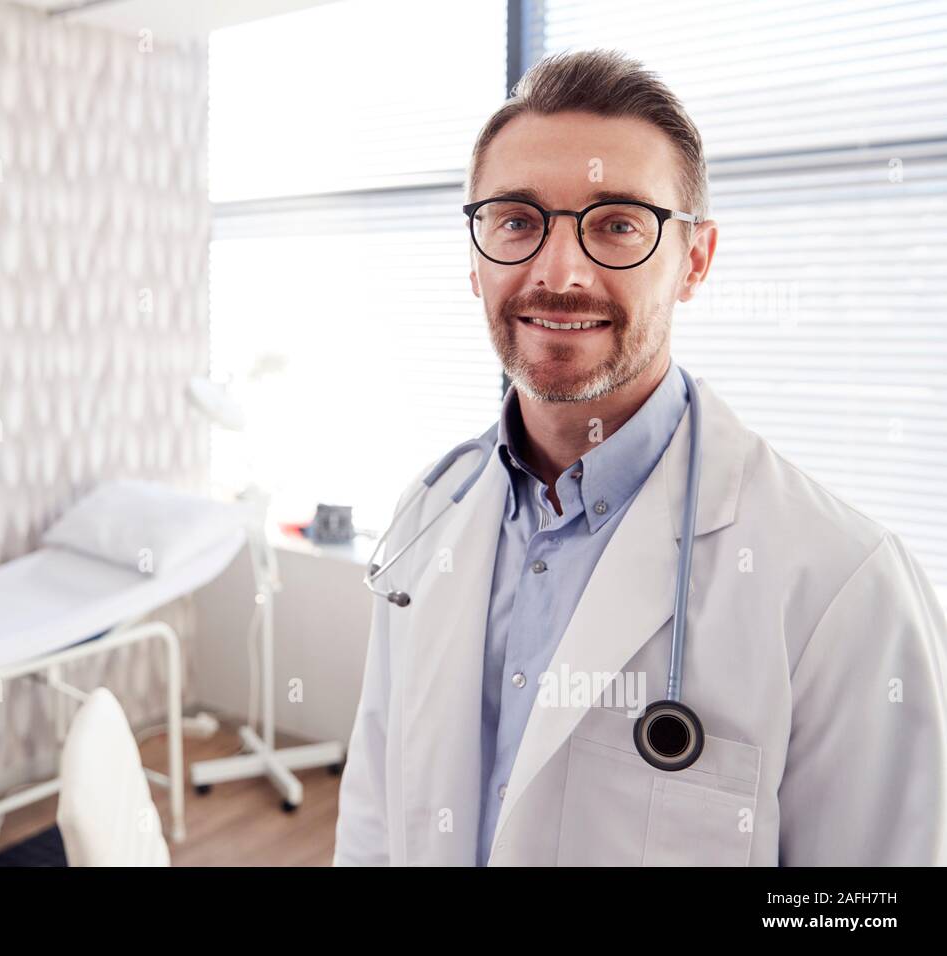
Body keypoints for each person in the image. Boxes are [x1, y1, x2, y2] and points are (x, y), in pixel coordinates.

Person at [333, 49, 947, 866]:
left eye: (618, 223)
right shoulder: (425, 520)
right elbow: (375, 816)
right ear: (475, 257)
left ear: (695, 260)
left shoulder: (842, 583)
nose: (561, 272)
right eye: (517, 220)